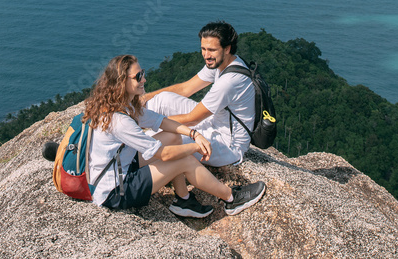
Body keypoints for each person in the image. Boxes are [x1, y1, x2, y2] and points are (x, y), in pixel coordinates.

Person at [85, 54, 265, 218]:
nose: (144, 79)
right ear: (121, 82)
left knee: (173, 137)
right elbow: (164, 155)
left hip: (122, 167)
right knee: (183, 159)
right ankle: (232, 198)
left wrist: (194, 134)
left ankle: (183, 200)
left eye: (143, 73)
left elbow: (161, 121)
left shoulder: (123, 106)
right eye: (138, 76)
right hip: (116, 190)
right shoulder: (120, 121)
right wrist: (196, 147)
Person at [143, 21, 255, 168]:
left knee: (157, 138)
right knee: (162, 99)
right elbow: (185, 89)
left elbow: (191, 119)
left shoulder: (229, 81)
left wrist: (150, 126)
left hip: (226, 146)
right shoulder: (219, 63)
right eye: (203, 49)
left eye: (212, 50)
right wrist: (144, 98)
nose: (206, 55)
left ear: (227, 49)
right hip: (213, 122)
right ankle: (129, 118)